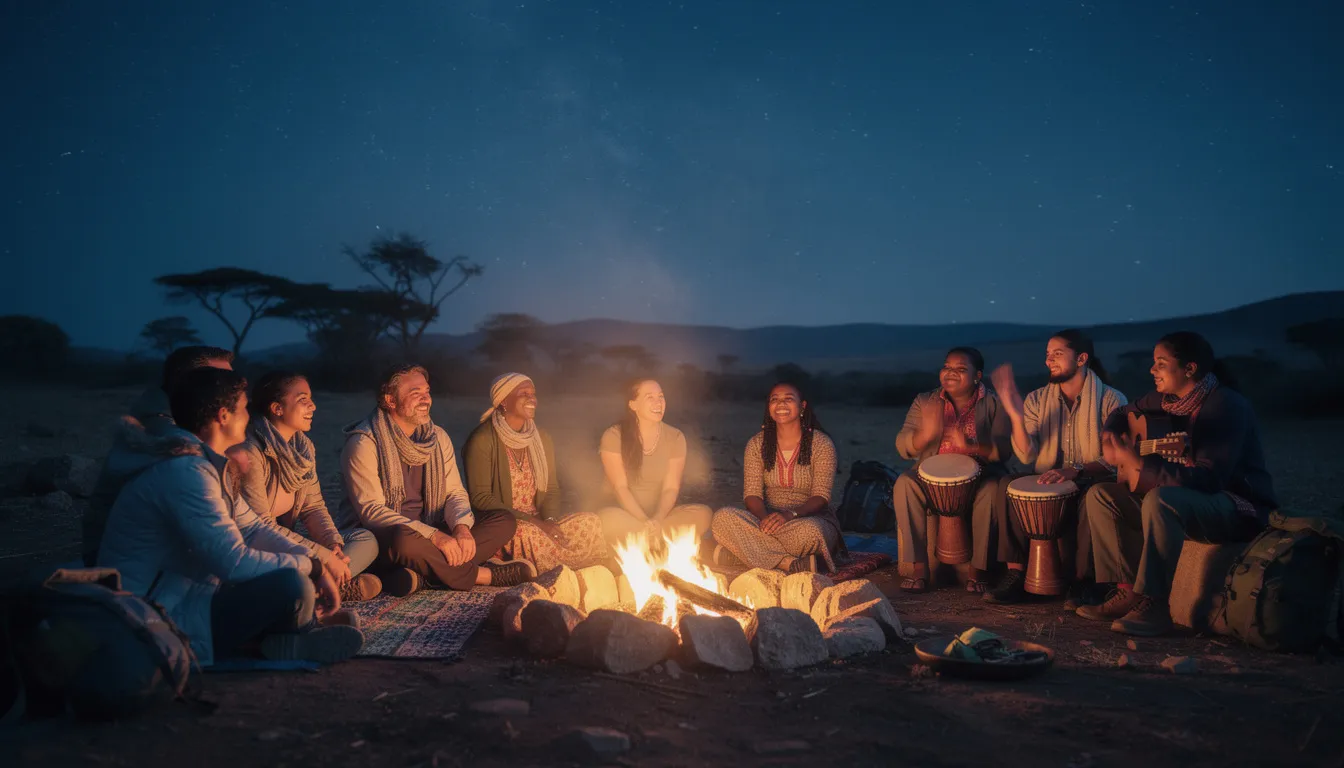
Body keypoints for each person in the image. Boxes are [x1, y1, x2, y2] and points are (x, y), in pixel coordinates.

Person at [98, 367, 364, 665]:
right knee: (291, 583)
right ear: (223, 416)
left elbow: (253, 529)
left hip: (189, 594)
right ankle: (284, 640)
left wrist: (314, 559)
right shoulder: (185, 473)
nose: (249, 416)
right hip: (154, 614)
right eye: (243, 408)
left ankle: (284, 640)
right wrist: (311, 566)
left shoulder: (205, 465)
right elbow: (234, 562)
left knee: (292, 576)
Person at [1077, 332, 1276, 636]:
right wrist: (1110, 438)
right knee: (1102, 494)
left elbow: (1209, 479)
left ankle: (1155, 604)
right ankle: (1128, 591)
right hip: (1188, 497)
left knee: (1161, 499)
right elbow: (1121, 412)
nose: (1152, 371)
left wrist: (1142, 465)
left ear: (1189, 369)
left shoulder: (1225, 406)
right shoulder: (1166, 400)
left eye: (1161, 364)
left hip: (1235, 505)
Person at [338, 363, 533, 595]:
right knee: (404, 540)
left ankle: (422, 577)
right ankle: (483, 575)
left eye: (427, 392)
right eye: (415, 393)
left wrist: (461, 529)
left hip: (432, 528)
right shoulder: (364, 443)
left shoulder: (437, 437)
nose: (425, 399)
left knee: (503, 520)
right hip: (387, 538)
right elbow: (372, 512)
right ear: (390, 401)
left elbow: (454, 493)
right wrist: (436, 537)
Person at [984, 330, 1128, 603]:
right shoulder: (1037, 400)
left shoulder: (1111, 400)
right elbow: (1027, 457)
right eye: (1047, 355)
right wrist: (1015, 415)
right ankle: (1016, 572)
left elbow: (1115, 458)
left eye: (1057, 354)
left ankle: (1084, 581)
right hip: (1048, 474)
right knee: (1007, 485)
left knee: (1093, 496)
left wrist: (1076, 470)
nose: (1049, 361)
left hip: (1091, 476)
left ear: (1082, 358)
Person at [237, 371, 382, 602]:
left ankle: (317, 588)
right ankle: (323, 588)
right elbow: (260, 527)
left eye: (311, 399)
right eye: (303, 399)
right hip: (260, 547)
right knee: (292, 569)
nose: (313, 406)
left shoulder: (303, 449)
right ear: (277, 408)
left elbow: (312, 507)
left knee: (365, 539)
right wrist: (324, 557)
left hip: (291, 544)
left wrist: (331, 544)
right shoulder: (252, 452)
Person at [83, 345, 234, 565]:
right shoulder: (162, 432)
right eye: (223, 381)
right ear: (188, 382)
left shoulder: (179, 417)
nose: (234, 389)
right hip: (122, 562)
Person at [893, 347, 1012, 594]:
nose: (950, 373)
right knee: (905, 483)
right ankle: (918, 567)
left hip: (979, 476)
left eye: (960, 369)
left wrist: (971, 446)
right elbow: (902, 444)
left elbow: (1003, 450)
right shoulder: (925, 401)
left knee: (992, 490)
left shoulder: (993, 404)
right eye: (946, 367)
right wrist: (925, 435)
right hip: (931, 477)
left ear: (978, 375)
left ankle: (978, 570)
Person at [463, 373, 609, 573]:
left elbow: (551, 488)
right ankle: (549, 569)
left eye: (533, 394)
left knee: (590, 522)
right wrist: (535, 523)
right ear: (504, 401)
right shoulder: (482, 439)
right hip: (506, 524)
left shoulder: (541, 438)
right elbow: (480, 498)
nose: (532, 399)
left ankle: (571, 567)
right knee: (528, 534)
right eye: (524, 393)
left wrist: (548, 521)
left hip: (539, 520)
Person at [710, 383, 843, 574]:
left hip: (807, 519)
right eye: (774, 399)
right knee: (722, 518)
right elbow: (752, 495)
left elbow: (821, 496)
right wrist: (766, 521)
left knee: (811, 534)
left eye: (788, 399)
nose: (781, 404)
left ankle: (741, 553)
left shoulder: (821, 444)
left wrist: (789, 515)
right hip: (765, 517)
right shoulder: (757, 444)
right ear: (768, 406)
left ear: (802, 406)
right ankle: (788, 563)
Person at [597, 379, 713, 547]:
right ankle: (661, 542)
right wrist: (644, 521)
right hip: (625, 514)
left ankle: (644, 542)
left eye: (661, 396)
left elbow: (671, 487)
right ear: (633, 404)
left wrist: (657, 519)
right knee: (605, 519)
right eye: (649, 397)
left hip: (662, 516)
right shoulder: (613, 436)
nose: (658, 402)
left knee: (703, 514)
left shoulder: (675, 437)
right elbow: (620, 488)